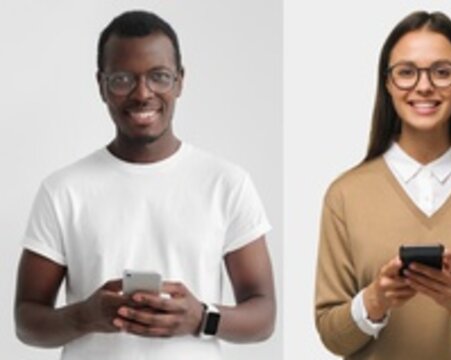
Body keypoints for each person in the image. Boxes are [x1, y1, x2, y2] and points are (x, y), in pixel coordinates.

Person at [13, 10, 277, 359]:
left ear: (180, 81)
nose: (142, 93)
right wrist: (86, 316)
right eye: (122, 79)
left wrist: (201, 317)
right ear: (101, 85)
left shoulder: (227, 183)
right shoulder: (63, 190)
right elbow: (26, 320)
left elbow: (264, 314)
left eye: (159, 77)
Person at [310, 11, 451, 359]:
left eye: (442, 72)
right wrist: (376, 300)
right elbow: (332, 335)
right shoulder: (345, 195)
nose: (424, 86)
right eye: (407, 72)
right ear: (387, 83)